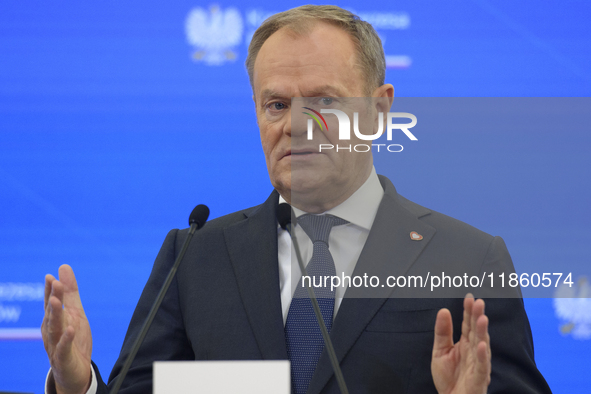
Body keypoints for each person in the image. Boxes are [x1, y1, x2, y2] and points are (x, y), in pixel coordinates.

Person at [41, 5, 552, 394]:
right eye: (277, 104)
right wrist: (76, 382)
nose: (295, 125)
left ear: (378, 111)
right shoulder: (195, 255)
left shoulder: (469, 259)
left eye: (324, 101)